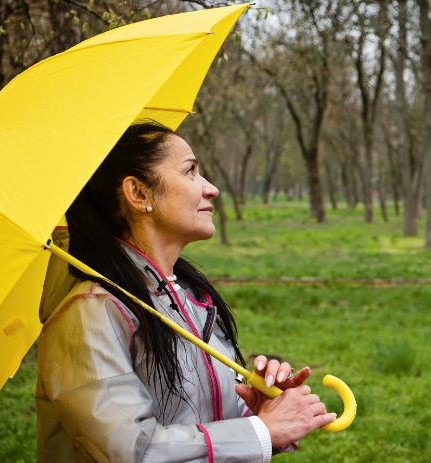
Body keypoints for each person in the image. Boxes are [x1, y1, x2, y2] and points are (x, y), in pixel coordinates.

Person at [36, 121, 335, 462]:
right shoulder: (89, 316)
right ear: (138, 194)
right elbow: (134, 453)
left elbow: (195, 420)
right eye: (190, 171)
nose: (211, 189)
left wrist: (261, 412)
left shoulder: (189, 298)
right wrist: (259, 432)